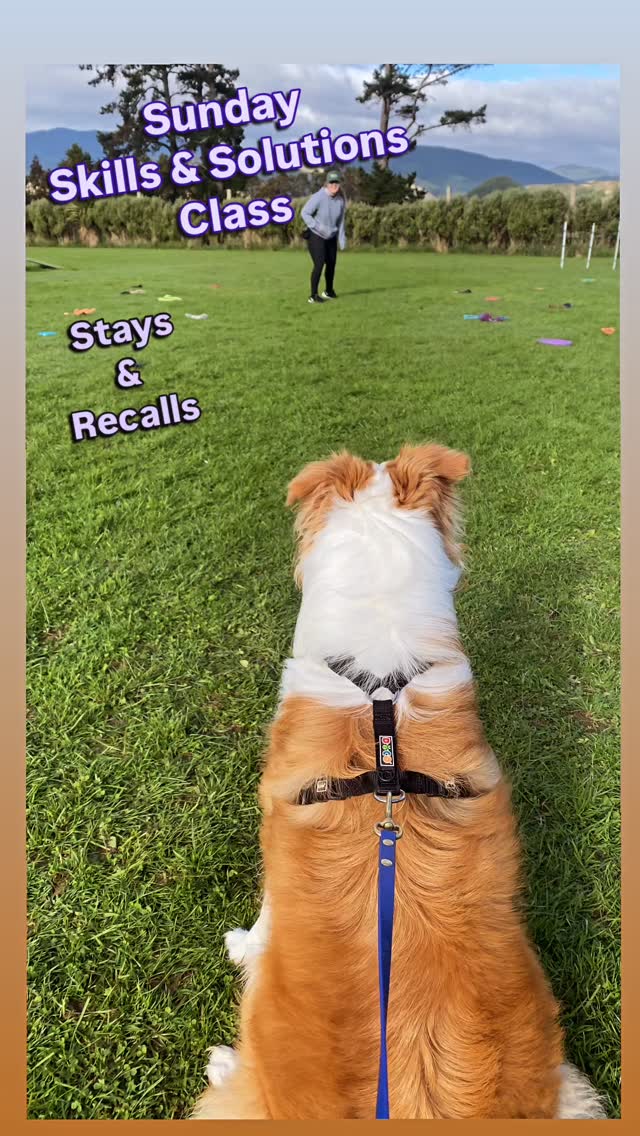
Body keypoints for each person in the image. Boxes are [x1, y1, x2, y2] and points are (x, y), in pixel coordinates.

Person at [301, 170, 347, 304]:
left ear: (339, 184)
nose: (334, 185)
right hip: (316, 235)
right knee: (319, 264)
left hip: (331, 236)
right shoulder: (319, 196)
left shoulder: (340, 200)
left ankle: (328, 291)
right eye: (331, 182)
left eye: (336, 182)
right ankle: (313, 295)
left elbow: (341, 221)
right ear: (327, 183)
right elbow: (305, 213)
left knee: (331, 264)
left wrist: (342, 238)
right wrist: (316, 226)